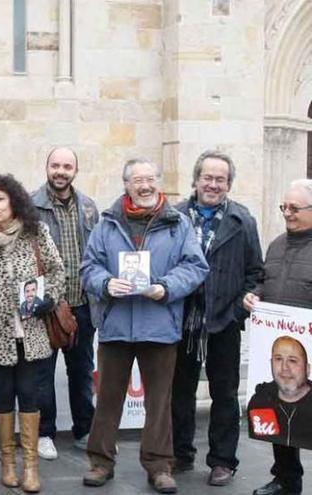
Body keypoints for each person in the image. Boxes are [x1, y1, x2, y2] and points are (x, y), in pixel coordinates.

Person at [80, 158, 208, 493]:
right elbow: (88, 266)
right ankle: (100, 462)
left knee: (159, 401)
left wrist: (165, 287)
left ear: (159, 182)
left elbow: (195, 266)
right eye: (138, 180)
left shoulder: (177, 223)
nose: (145, 185)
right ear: (126, 185)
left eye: (150, 179)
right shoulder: (107, 224)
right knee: (107, 399)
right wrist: (106, 283)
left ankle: (159, 465)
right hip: (116, 325)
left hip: (160, 324)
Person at [0, 173, 65, 493]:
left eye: (0, 199)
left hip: (32, 328)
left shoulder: (36, 232)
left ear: (14, 201)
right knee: (4, 393)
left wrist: (49, 299)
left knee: (30, 393)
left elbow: (56, 269)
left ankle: (31, 466)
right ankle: (7, 462)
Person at [171, 150, 263, 486]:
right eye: (207, 178)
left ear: (228, 184)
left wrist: (239, 308)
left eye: (220, 179)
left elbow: (256, 273)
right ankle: (180, 454)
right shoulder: (174, 217)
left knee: (225, 393)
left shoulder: (243, 221)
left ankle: (223, 461)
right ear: (195, 180)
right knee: (178, 390)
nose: (213, 184)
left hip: (224, 320)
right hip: (183, 319)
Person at [243, 179, 312, 495]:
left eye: (294, 208)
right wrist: (253, 296)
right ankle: (286, 479)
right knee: (283, 413)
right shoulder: (276, 245)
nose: (287, 213)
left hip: (309, 345)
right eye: (283, 207)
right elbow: (262, 281)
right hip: (280, 342)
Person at [30, 147, 100, 460]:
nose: (61, 171)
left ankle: (84, 429)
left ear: (76, 170)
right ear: (47, 167)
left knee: (82, 371)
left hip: (82, 303)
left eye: (67, 166)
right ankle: (45, 433)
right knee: (43, 374)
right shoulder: (31, 206)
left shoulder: (88, 207)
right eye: (55, 165)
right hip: (48, 307)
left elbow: (97, 251)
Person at [248, 337, 312, 451]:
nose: (284, 368)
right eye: (278, 359)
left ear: (307, 369)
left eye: (292, 360)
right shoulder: (260, 402)